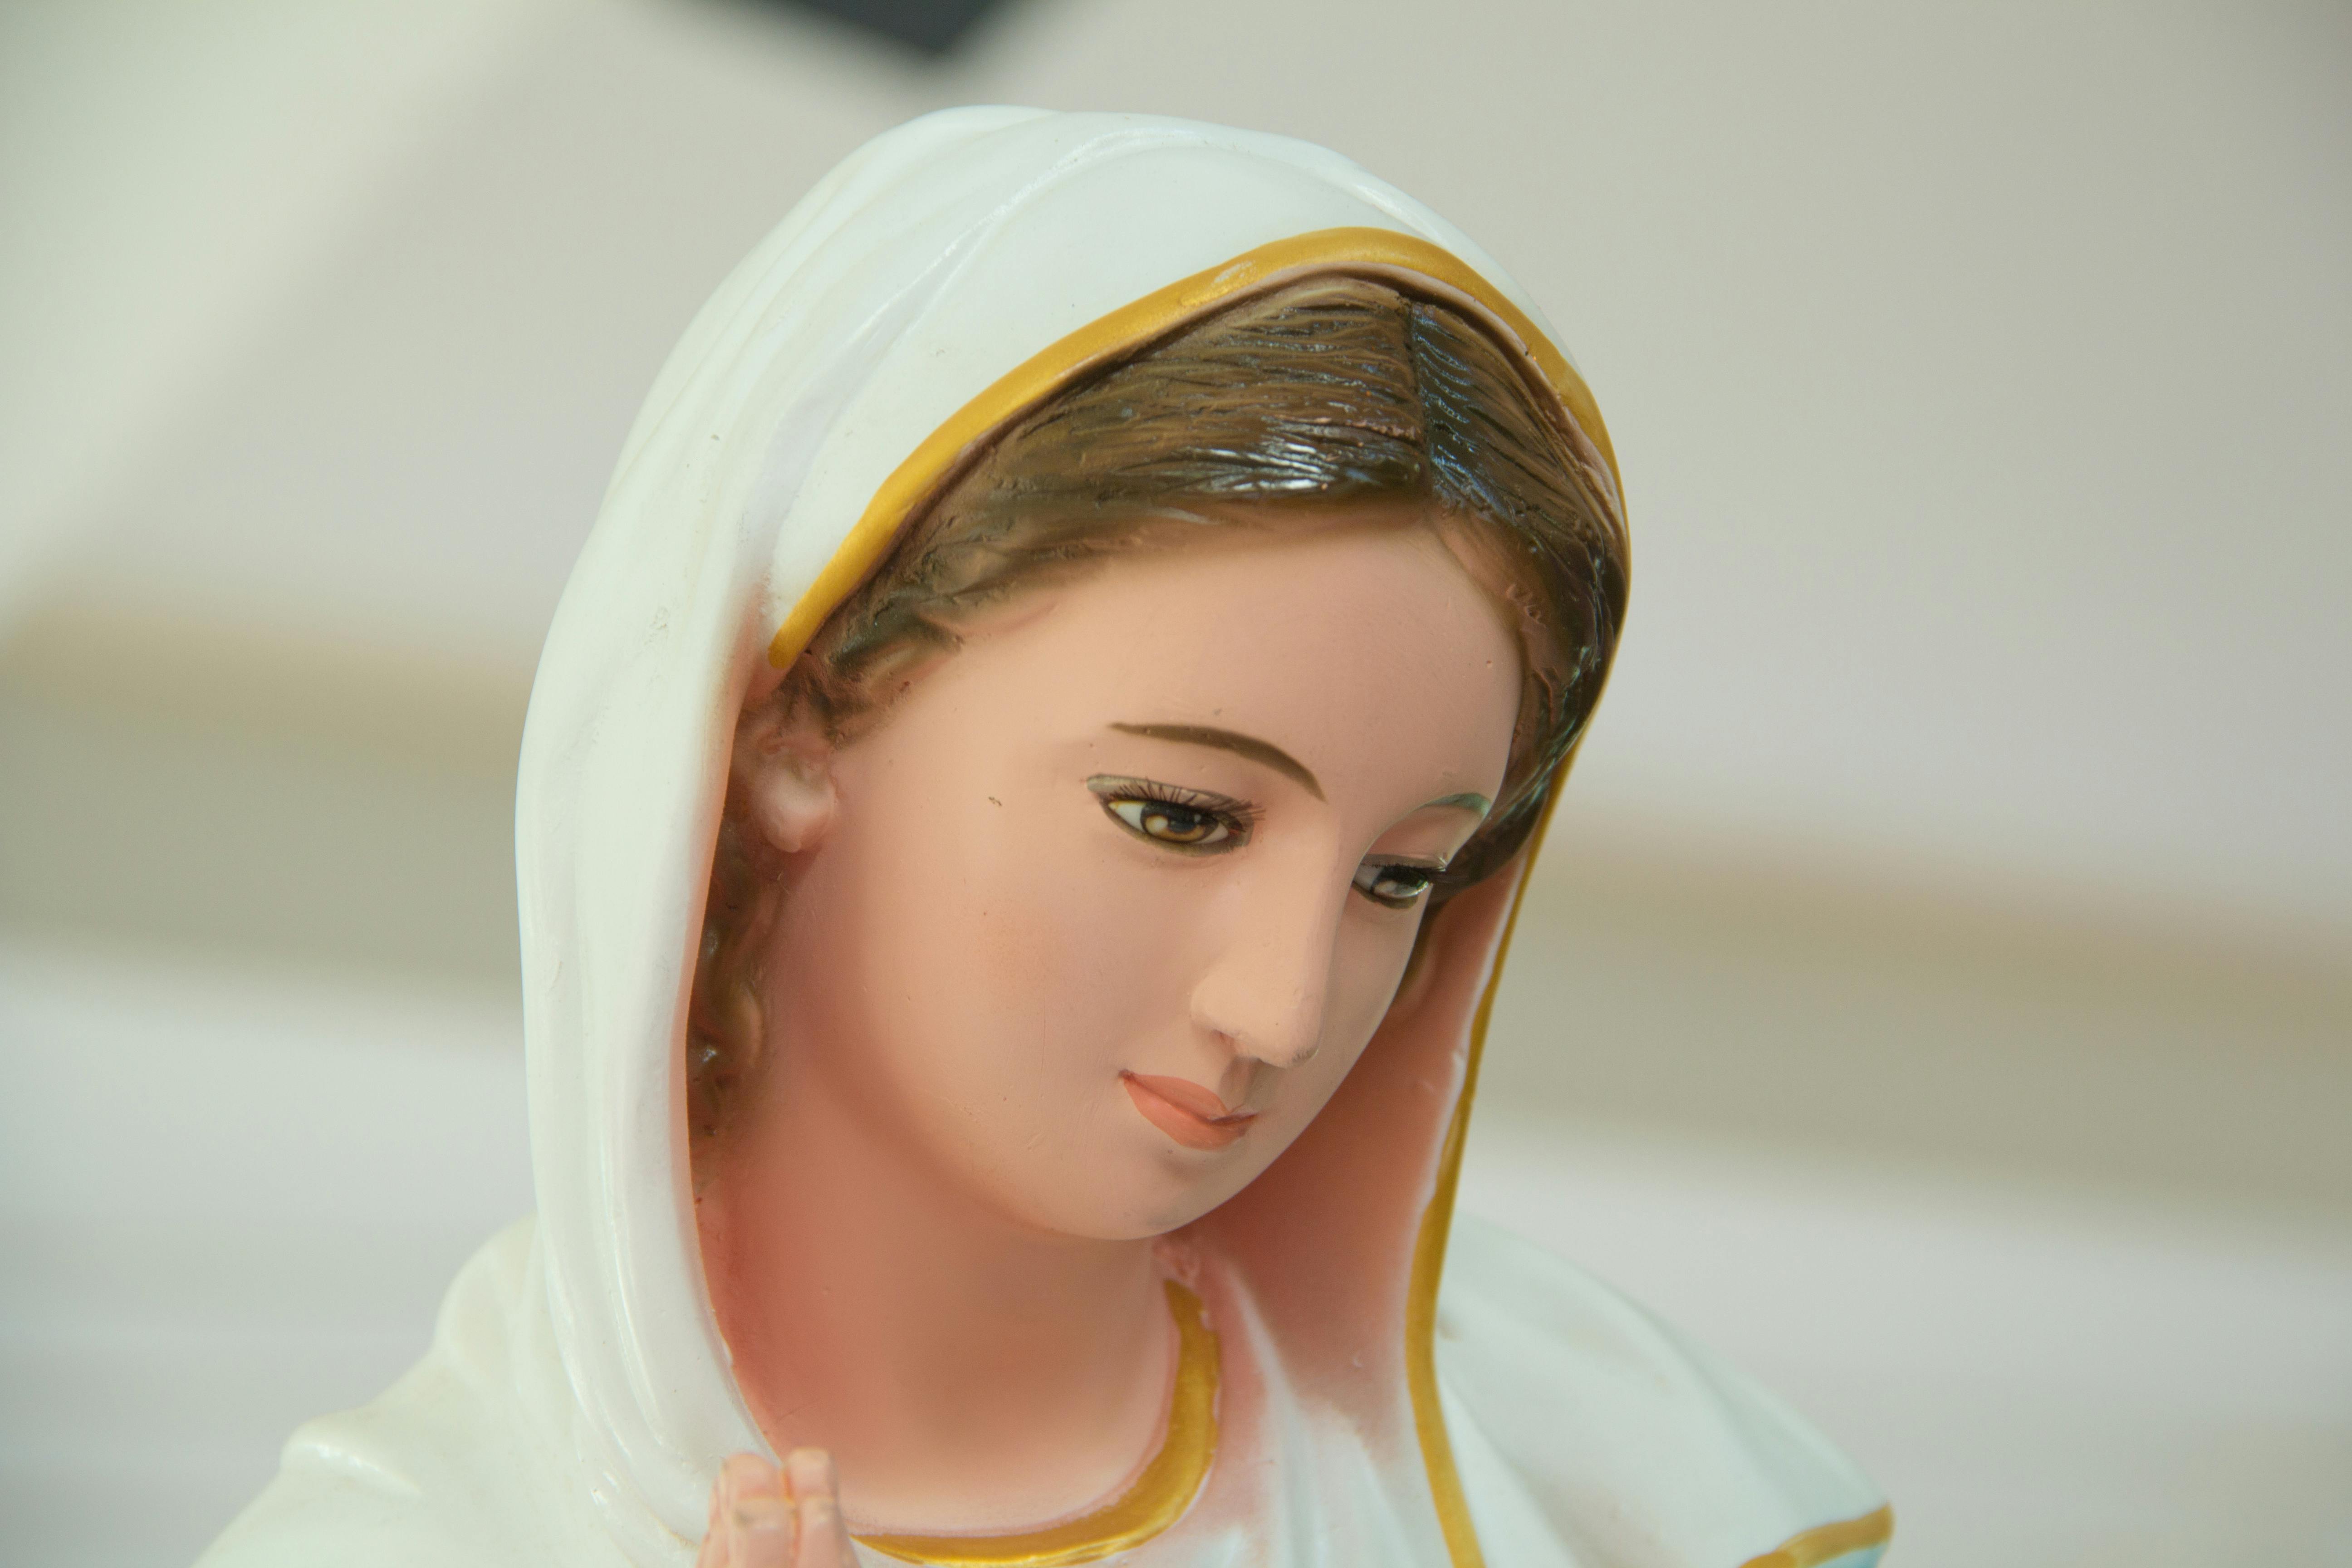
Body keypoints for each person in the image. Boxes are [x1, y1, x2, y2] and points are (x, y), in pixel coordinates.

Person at [201, 109, 1890, 1568]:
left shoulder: (1596, 1484)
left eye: (1400, 878)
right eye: (1179, 815)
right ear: (789, 723)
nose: (1285, 1011)